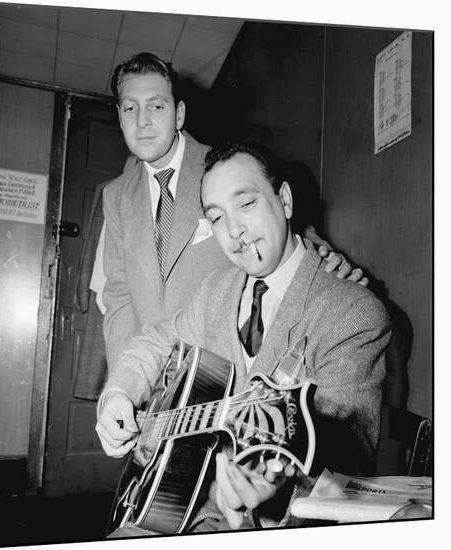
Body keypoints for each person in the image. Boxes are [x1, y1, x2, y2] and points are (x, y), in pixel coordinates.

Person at [95, 142, 391, 536]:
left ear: (283, 200)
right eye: (216, 218)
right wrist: (119, 392)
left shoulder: (351, 312)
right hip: (175, 506)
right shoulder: (217, 289)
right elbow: (155, 340)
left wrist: (275, 487)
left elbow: (346, 460)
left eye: (246, 204)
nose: (234, 231)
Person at [90, 52, 365, 370]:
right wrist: (126, 382)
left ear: (179, 114)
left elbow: (288, 231)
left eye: (156, 105)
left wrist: (328, 263)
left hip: (223, 372)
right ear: (119, 115)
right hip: (153, 377)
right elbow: (119, 297)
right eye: (130, 108)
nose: (142, 121)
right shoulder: (115, 195)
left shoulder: (223, 166)